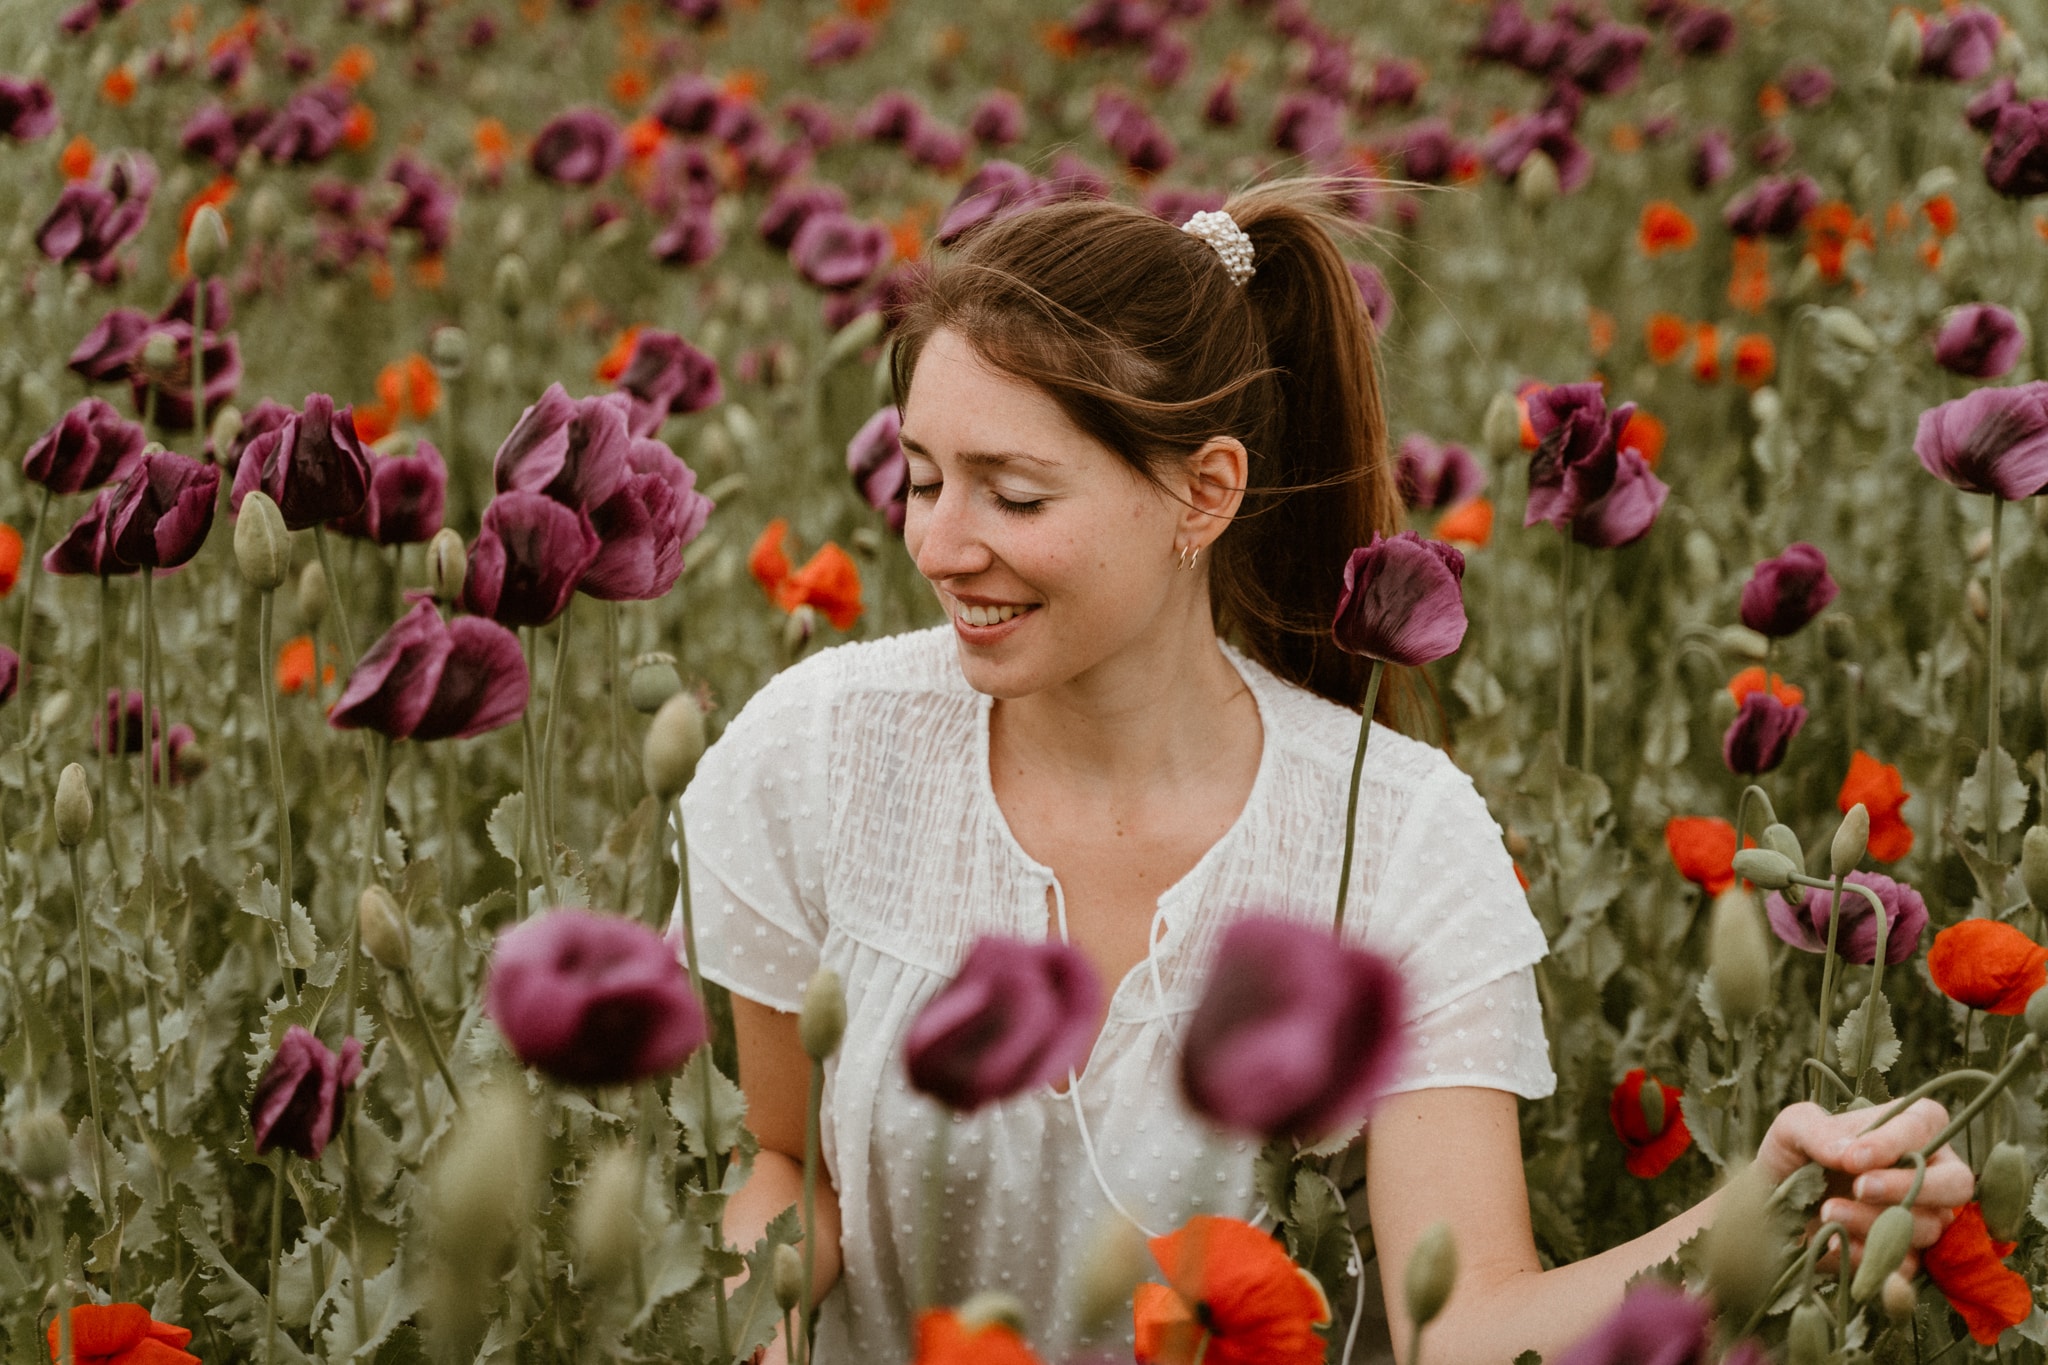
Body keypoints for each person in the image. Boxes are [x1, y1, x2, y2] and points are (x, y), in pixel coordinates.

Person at [681, 181, 1971, 1364]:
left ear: (1204, 494)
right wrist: (759, 1324)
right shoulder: (822, 752)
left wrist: (1764, 1218)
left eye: (1015, 498)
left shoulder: (1390, 833)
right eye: (920, 481)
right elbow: (784, 1160)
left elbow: (1464, 1328)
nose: (943, 545)